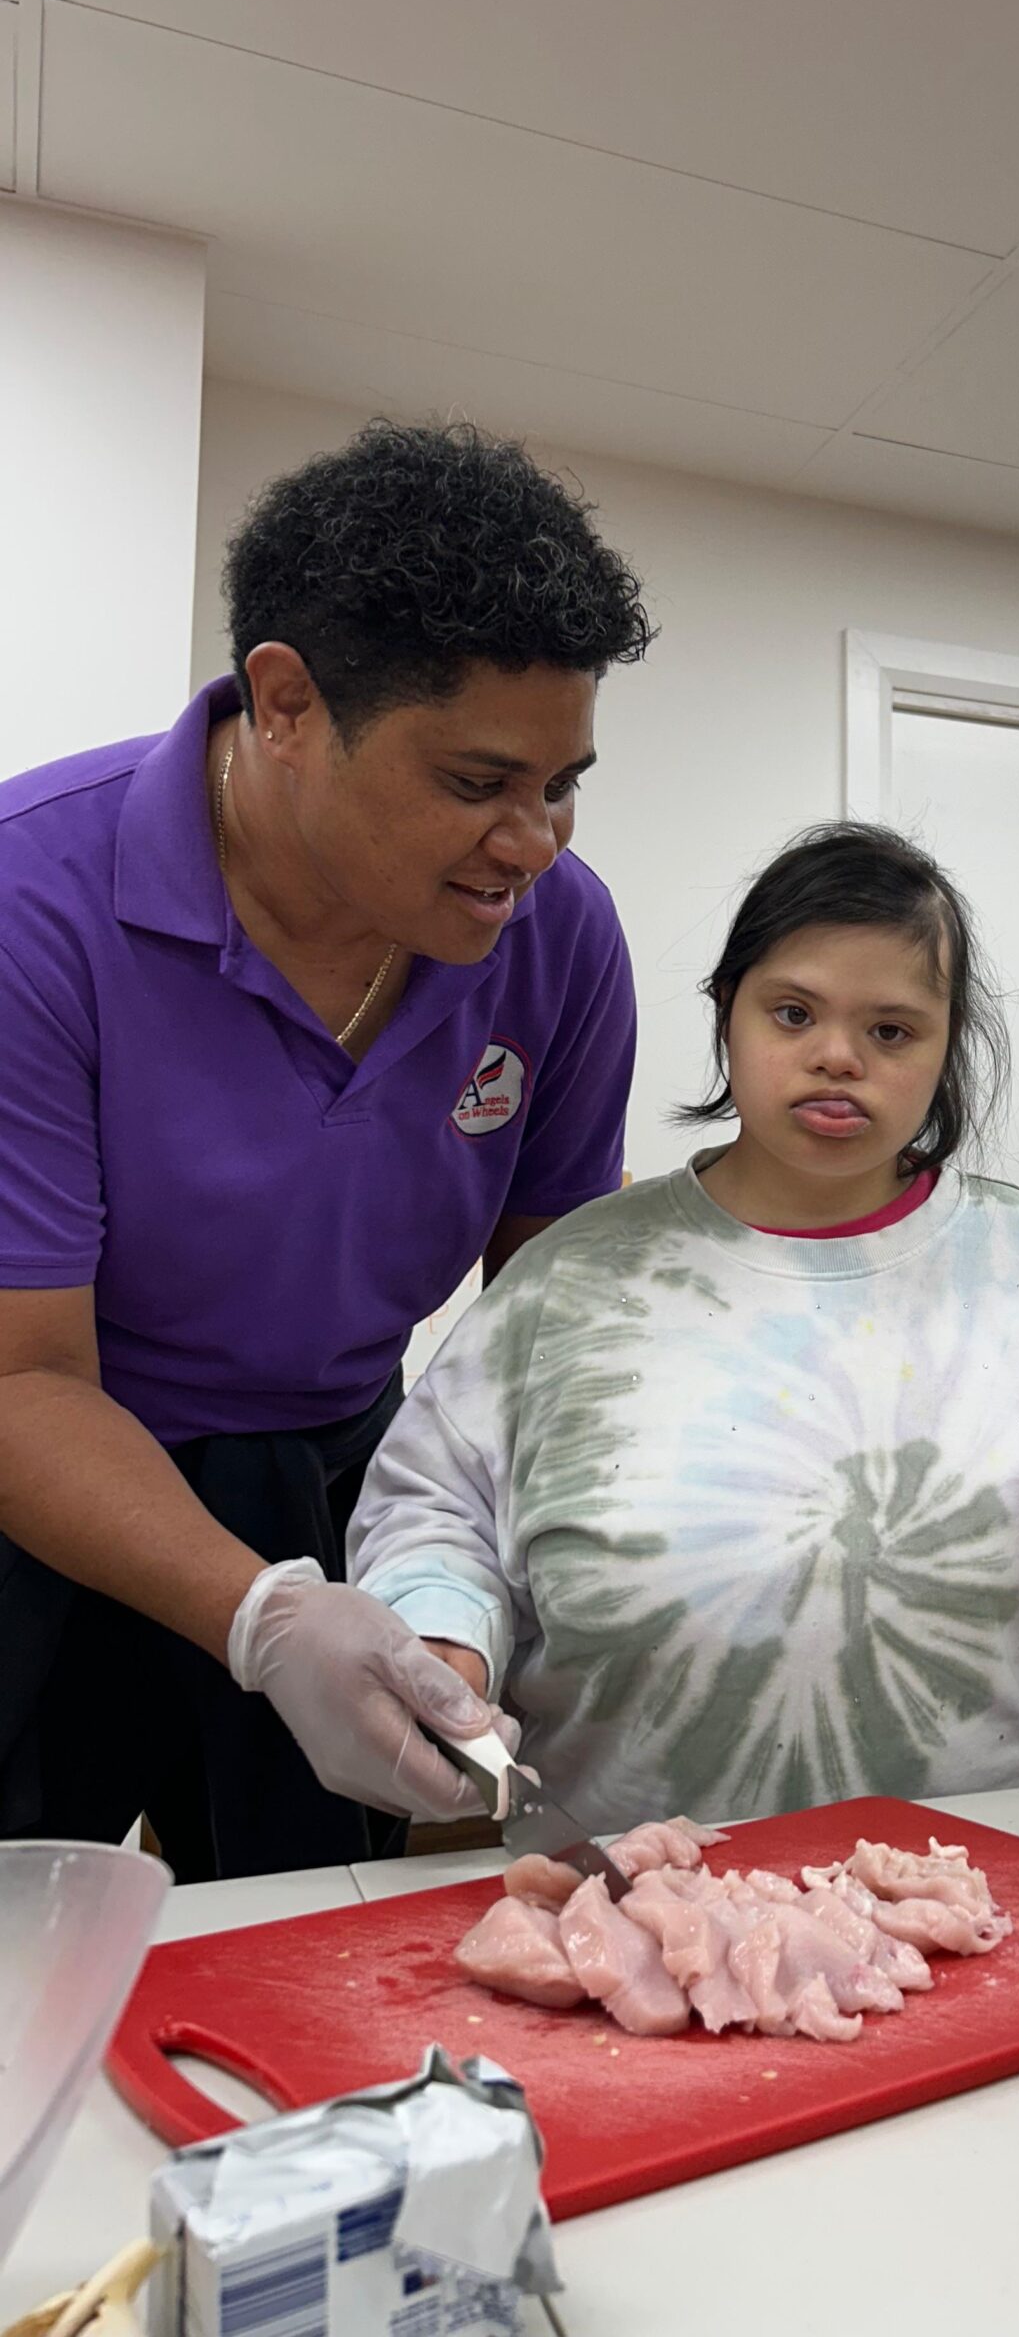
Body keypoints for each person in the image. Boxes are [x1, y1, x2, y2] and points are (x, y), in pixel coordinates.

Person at [0, 420, 654, 1877]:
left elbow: (547, 1319)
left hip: (331, 1468)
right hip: (42, 1472)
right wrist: (260, 1616)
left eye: (563, 783)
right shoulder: (29, 903)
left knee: (318, 1930)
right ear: (288, 703)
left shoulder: (557, 937)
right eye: (481, 781)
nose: (533, 840)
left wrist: (527, 1571)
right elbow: (23, 1376)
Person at [349, 822, 1019, 1829]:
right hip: (639, 1897)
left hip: (1001, 1876)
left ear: (946, 1049)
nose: (837, 1057)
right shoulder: (576, 1274)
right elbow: (433, 1505)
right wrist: (444, 1635)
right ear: (729, 1016)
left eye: (892, 1031)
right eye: (794, 1013)